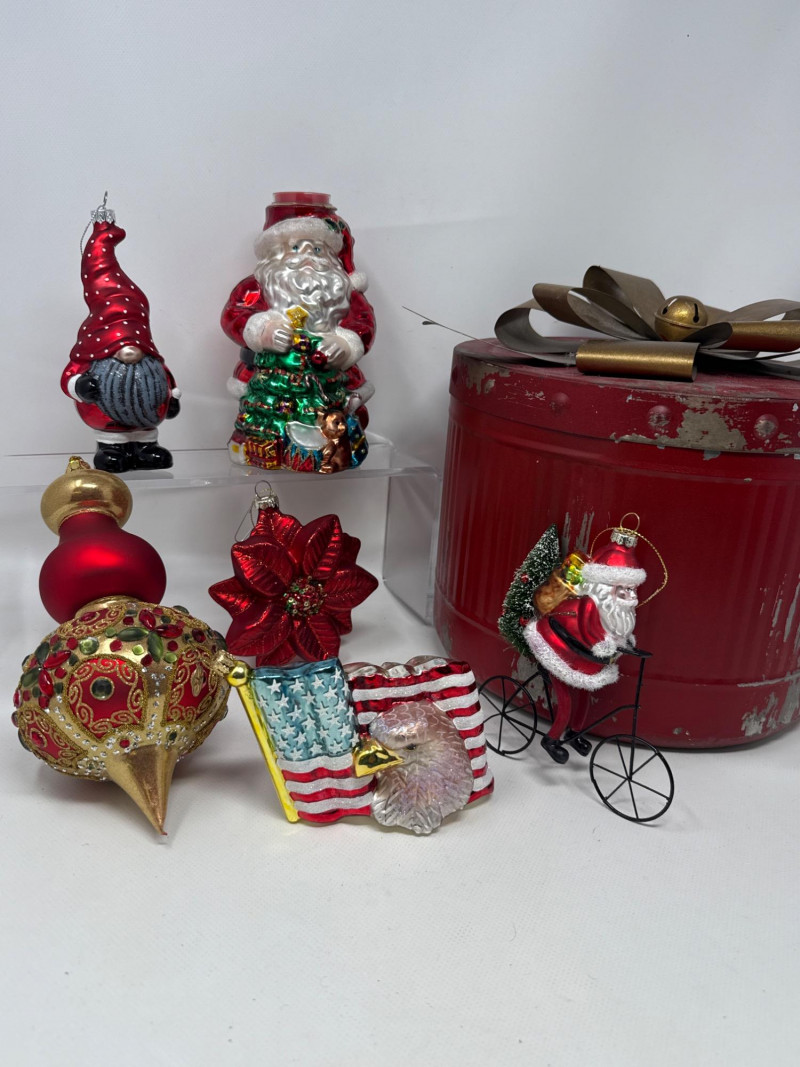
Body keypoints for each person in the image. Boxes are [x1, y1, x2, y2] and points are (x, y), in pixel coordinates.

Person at [524, 527, 646, 763]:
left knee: (584, 697)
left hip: (583, 657)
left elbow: (615, 630)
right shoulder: (591, 604)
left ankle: (575, 732)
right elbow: (589, 631)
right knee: (566, 701)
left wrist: (624, 642)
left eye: (631, 589)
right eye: (623, 590)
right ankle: (551, 739)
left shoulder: (616, 611)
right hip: (558, 649)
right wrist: (602, 645)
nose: (631, 597)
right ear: (605, 587)